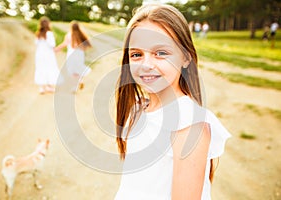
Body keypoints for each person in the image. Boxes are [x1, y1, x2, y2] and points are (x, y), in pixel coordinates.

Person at [115, 4, 231, 200]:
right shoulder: (139, 108)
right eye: (136, 54)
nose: (146, 65)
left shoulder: (188, 124)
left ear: (185, 57)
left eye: (161, 53)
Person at [55, 21, 92, 91]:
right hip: (80, 55)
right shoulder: (81, 35)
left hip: (71, 55)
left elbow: (64, 44)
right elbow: (86, 45)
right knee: (78, 69)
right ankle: (78, 83)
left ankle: (75, 85)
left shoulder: (69, 35)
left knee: (72, 71)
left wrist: (57, 49)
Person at [34, 16, 61, 94]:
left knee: (41, 69)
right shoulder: (49, 33)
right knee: (50, 68)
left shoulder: (38, 33)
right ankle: (49, 86)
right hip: (48, 54)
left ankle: (42, 87)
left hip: (39, 54)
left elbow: (36, 43)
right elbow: (52, 44)